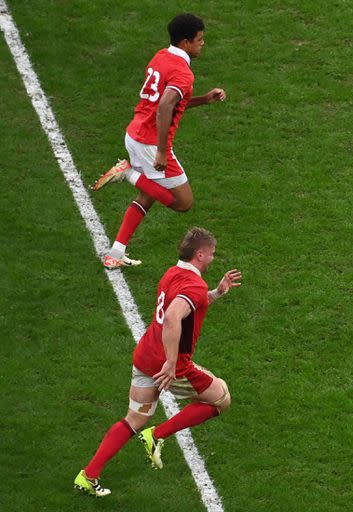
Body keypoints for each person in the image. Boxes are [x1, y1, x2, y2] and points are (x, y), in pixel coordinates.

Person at [74, 227, 242, 497]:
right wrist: (173, 364)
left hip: (145, 356)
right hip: (169, 364)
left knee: (134, 419)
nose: (213, 258)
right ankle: (158, 435)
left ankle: (89, 475)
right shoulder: (193, 285)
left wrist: (217, 293)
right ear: (200, 254)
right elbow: (175, 317)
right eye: (211, 254)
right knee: (221, 398)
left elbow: (189, 306)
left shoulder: (173, 274)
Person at [91, 13, 227, 269]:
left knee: (148, 194)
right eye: (199, 39)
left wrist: (204, 99)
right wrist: (162, 152)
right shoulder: (183, 73)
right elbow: (165, 106)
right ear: (186, 42)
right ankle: (126, 173)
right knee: (183, 203)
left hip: (135, 133)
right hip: (150, 143)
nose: (202, 44)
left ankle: (116, 253)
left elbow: (169, 103)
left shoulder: (161, 57)